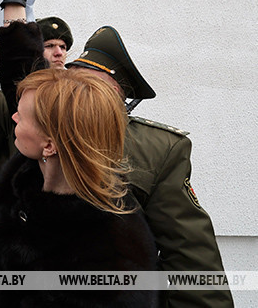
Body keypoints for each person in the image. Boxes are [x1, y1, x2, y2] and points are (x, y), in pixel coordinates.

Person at [0, 67, 158, 307]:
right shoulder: (31, 176)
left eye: (22, 116)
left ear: (50, 146)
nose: (14, 117)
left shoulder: (110, 254)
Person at [67, 26, 233, 307]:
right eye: (72, 80)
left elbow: (189, 257)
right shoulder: (32, 127)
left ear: (114, 94)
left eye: (88, 84)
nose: (73, 92)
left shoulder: (158, 148)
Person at [0, 16, 72, 207]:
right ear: (34, 51)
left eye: (63, 47)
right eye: (50, 45)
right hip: (22, 215)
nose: (59, 53)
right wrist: (0, 202)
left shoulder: (76, 100)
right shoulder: (11, 102)